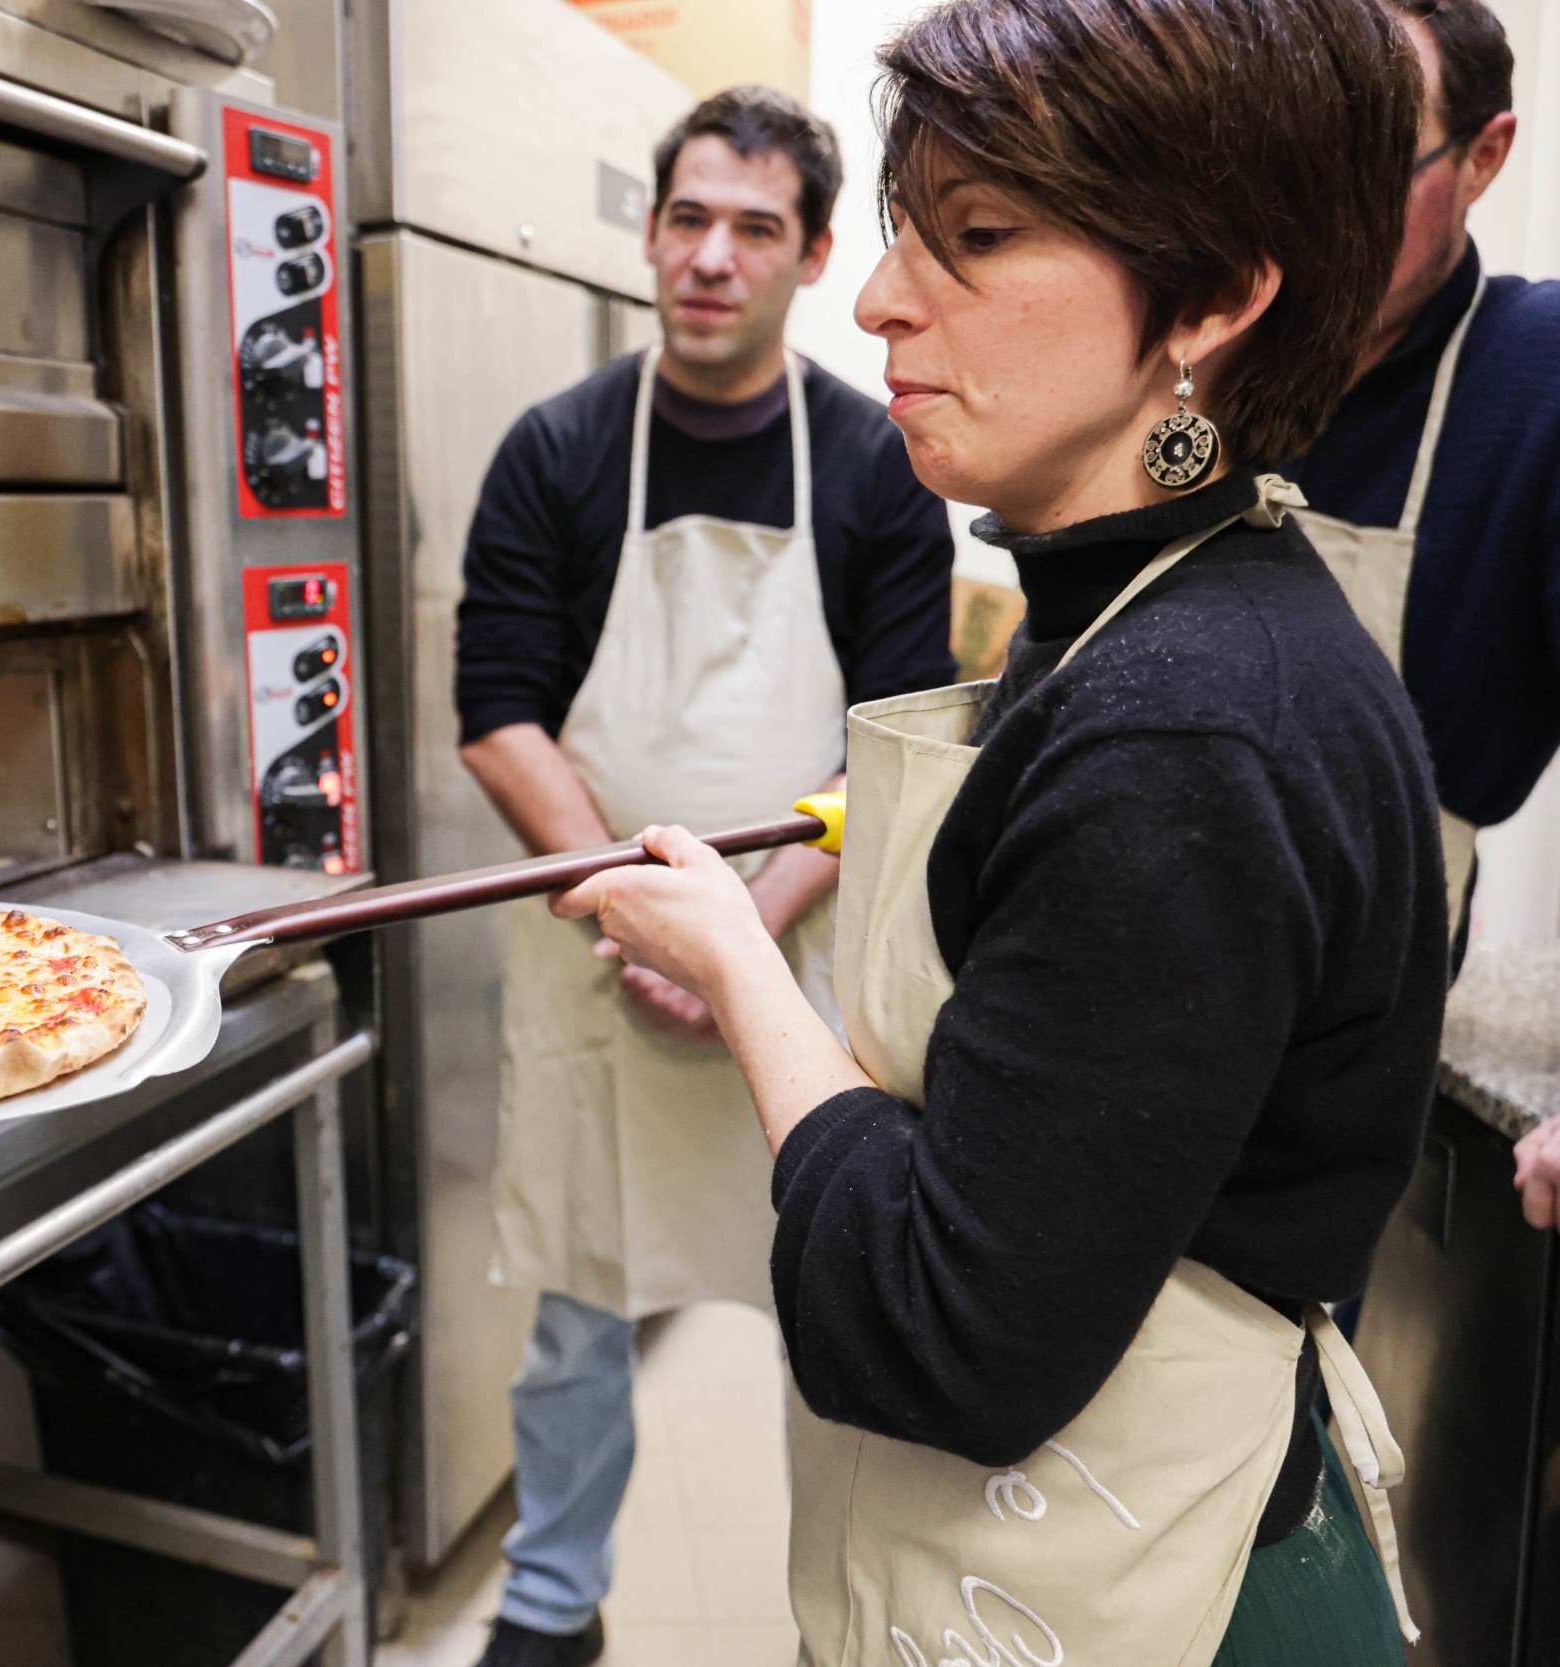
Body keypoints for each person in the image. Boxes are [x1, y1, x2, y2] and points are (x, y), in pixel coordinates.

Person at [557, 0, 1447, 1660]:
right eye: (903, 236)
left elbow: (939, 1330)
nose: (882, 298)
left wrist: (743, 963)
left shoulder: (1185, 721)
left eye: (974, 240)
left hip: (1167, 1597)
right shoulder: (1146, 610)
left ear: (1218, 295)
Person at [452, 86, 955, 1667]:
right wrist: (634, 897)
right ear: (652, 234)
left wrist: (735, 930)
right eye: (687, 219)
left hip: (790, 956)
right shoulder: (560, 449)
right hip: (601, 947)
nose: (711, 258)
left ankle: (841, 1616)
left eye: (755, 228)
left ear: (812, 255)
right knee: (581, 1305)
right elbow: (500, 712)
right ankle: (549, 1597)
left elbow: (892, 739)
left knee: (825, 1291)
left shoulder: (877, 466)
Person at [1286, 0, 1560, 1258]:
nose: (1310, 217)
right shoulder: (1201, 370)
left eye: (1366, 165)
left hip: (1310, 1081)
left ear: (1484, 155)